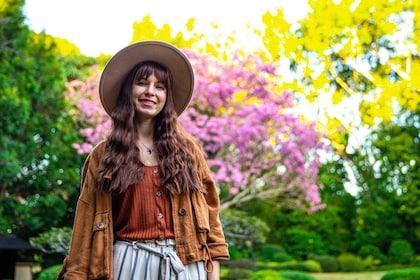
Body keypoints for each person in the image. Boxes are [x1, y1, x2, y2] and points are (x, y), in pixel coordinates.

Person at [58, 40, 229, 280]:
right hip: (128, 265)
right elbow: (85, 226)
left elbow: (212, 217)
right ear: (128, 91)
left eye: (160, 87)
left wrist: (212, 276)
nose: (150, 91)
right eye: (142, 83)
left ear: (166, 96)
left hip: (186, 265)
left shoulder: (188, 151)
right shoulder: (103, 155)